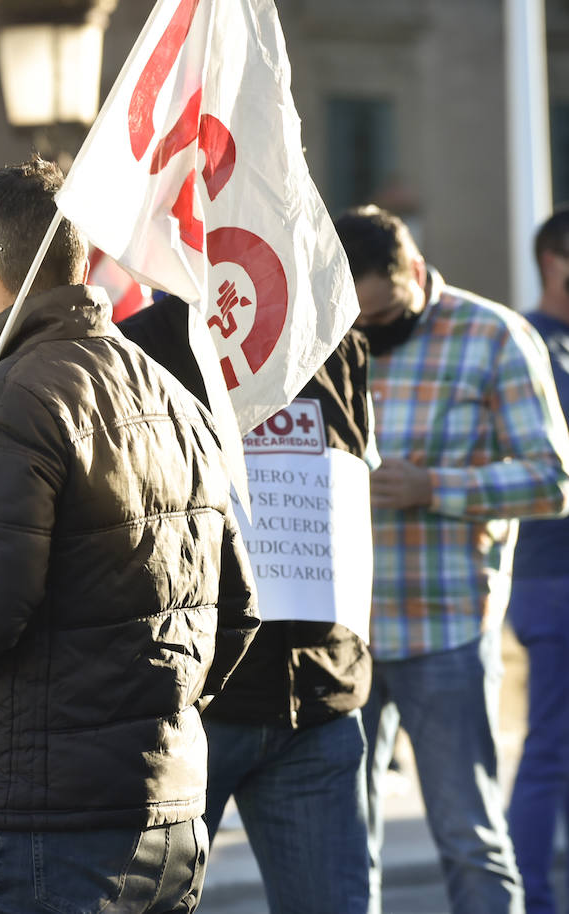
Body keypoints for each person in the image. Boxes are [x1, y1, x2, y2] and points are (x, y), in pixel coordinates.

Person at [0, 157, 260, 913]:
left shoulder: (9, 397)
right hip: (169, 808)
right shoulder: (174, 393)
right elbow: (239, 606)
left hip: (45, 818)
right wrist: (158, 714)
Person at [334, 204, 569, 914]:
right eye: (356, 320)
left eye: (379, 315)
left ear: (413, 270)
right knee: (345, 844)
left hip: (447, 632)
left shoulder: (495, 335)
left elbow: (554, 479)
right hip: (342, 637)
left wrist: (435, 486)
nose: (367, 333)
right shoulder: (329, 333)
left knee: (470, 836)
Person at [119, 298, 376, 914]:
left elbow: (354, 482)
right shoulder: (130, 354)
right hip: (185, 712)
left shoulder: (336, 341)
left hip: (317, 703)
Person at [508, 207, 569, 914]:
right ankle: (531, 899)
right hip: (552, 573)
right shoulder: (530, 342)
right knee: (550, 745)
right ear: (554, 258)